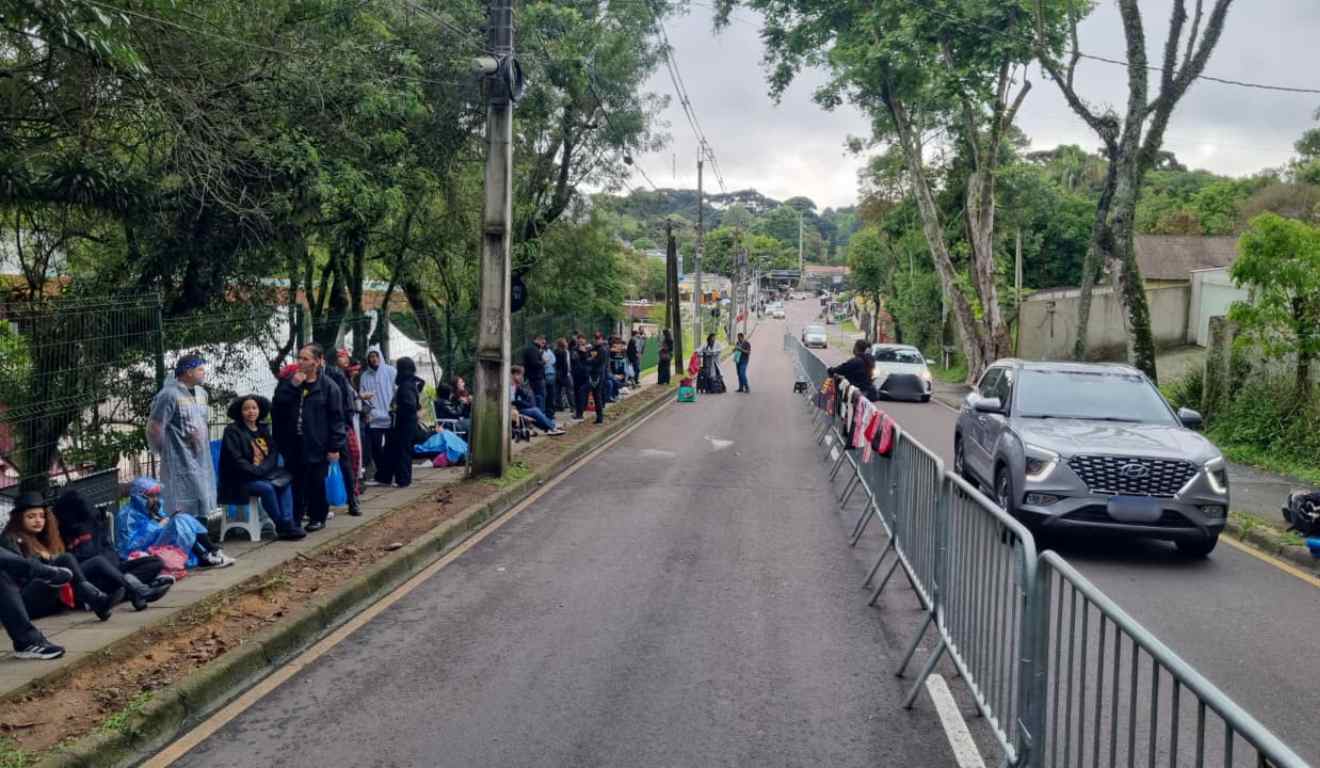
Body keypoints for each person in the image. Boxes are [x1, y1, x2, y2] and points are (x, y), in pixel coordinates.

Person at [3, 494, 118, 624]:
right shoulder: (10, 538)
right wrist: (44, 560)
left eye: (42, 516)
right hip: (25, 602)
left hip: (48, 597)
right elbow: (20, 571)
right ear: (18, 519)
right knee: (65, 560)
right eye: (31, 517)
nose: (38, 520)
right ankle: (95, 599)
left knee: (82, 561)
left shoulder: (38, 538)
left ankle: (96, 598)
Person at [54, 491, 171, 610]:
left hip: (114, 568)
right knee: (101, 564)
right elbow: (83, 560)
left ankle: (126, 590)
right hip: (96, 577)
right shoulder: (64, 532)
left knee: (156, 562)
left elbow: (108, 548)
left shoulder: (94, 522)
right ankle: (138, 590)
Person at [273, 344, 346, 533]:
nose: (300, 362)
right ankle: (295, 518)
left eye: (305, 359)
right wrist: (292, 386)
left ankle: (317, 517)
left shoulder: (329, 387)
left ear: (318, 361)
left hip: (317, 443)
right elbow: (278, 405)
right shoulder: (291, 382)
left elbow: (337, 419)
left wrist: (334, 446)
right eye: (299, 358)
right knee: (295, 482)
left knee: (316, 482)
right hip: (293, 443)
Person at [219, 395, 305, 540]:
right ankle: (282, 526)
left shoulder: (263, 428)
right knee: (267, 488)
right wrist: (256, 471)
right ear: (240, 412)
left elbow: (273, 452)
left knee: (285, 481)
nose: (251, 411)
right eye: (246, 408)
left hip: (263, 474)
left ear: (259, 410)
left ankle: (288, 522)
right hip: (240, 479)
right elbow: (236, 459)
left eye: (254, 408)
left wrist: (263, 470)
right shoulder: (232, 431)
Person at [146, 352, 216, 526]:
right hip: (179, 458)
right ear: (188, 372)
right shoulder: (169, 395)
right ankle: (190, 541)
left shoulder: (201, 393)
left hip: (201, 457)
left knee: (201, 499)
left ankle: (203, 541)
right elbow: (155, 426)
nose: (203, 373)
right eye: (200, 369)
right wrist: (165, 452)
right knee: (183, 502)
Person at [114, 477, 234, 568]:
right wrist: (158, 527)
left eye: (156, 495)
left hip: (158, 544)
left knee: (182, 518)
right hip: (144, 552)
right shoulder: (127, 516)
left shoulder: (153, 508)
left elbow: (164, 526)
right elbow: (128, 548)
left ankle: (208, 553)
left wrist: (167, 520)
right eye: (151, 496)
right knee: (180, 520)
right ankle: (210, 552)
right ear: (139, 497)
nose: (155, 499)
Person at [323, 351, 362, 517]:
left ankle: (353, 500)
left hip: (338, 426)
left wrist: (343, 425)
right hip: (319, 428)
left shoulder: (335, 376)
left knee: (346, 464)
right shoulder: (303, 379)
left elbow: (345, 402)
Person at [376, 356, 422, 488]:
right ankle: (390, 477)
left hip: (403, 424)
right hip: (406, 423)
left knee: (401, 451)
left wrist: (397, 410)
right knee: (395, 450)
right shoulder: (410, 383)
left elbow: (409, 405)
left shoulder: (405, 385)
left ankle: (402, 479)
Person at [359, 346, 396, 479]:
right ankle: (381, 472)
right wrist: (369, 411)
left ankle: (390, 471)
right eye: (371, 357)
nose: (374, 359)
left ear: (380, 357)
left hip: (390, 415)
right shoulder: (364, 376)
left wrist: (394, 407)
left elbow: (396, 389)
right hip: (374, 417)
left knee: (390, 446)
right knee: (376, 447)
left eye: (376, 356)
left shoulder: (391, 371)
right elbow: (362, 395)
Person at [511, 366, 565, 435]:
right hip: (514, 410)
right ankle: (552, 427)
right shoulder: (511, 386)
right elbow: (513, 401)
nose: (522, 377)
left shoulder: (517, 385)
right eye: (520, 375)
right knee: (535, 411)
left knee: (535, 412)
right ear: (515, 374)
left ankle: (550, 428)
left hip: (519, 408)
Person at [587, 332, 609, 423]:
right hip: (594, 374)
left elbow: (597, 361)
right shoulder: (594, 348)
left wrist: (590, 359)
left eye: (598, 338)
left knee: (597, 396)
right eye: (596, 338)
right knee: (596, 396)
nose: (596, 340)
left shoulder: (602, 349)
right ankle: (599, 416)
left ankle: (600, 418)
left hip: (598, 375)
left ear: (602, 339)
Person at [521, 336, 548, 410]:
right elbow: (534, 363)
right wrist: (543, 362)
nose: (543, 345)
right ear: (537, 341)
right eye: (542, 342)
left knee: (539, 396)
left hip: (534, 377)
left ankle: (540, 414)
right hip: (536, 378)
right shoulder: (533, 350)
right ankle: (541, 415)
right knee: (540, 397)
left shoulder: (533, 349)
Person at [553, 338, 573, 414]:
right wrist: (566, 373)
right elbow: (565, 364)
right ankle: (572, 406)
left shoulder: (555, 351)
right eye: (565, 342)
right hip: (564, 374)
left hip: (557, 373)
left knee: (558, 391)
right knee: (569, 390)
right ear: (563, 344)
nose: (567, 343)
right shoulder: (564, 352)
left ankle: (559, 406)